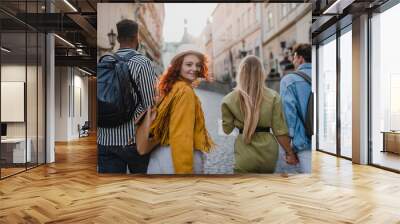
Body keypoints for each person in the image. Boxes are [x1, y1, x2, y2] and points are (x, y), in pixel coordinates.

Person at [97, 19, 158, 173]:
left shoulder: (104, 60)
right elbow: (149, 104)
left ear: (117, 39)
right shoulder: (143, 63)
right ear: (137, 38)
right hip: (132, 140)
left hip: (104, 140)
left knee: (111, 191)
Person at [221, 55, 298, 173]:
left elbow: (227, 130)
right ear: (262, 73)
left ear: (240, 73)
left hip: (244, 152)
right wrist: (289, 152)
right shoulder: (273, 97)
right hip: (268, 153)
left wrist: (238, 120)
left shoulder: (228, 99)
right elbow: (280, 130)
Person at [147, 46, 214, 174]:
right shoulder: (184, 91)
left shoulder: (173, 88)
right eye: (189, 64)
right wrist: (184, 173)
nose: (194, 69)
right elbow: (182, 135)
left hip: (161, 156)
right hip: (175, 161)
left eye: (198, 65)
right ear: (179, 66)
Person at [279, 43, 312, 173]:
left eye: (294, 57)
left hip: (305, 144)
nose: (293, 61)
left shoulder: (289, 80)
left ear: (300, 58)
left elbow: (288, 116)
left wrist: (289, 150)